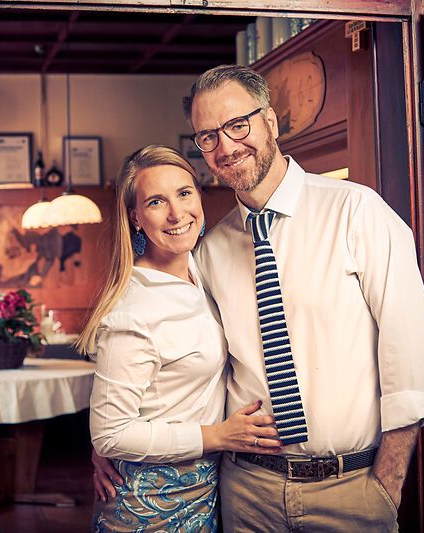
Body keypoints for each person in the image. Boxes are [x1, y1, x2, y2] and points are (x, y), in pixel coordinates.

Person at [94, 66, 424, 532]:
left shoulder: (357, 212)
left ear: (271, 123)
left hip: (349, 488)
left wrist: (388, 482)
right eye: (208, 137)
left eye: (238, 125)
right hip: (243, 490)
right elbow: (174, 353)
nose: (227, 146)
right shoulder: (208, 250)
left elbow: (411, 350)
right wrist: (104, 442)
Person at [77, 145, 282, 532]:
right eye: (156, 201)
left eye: (184, 193)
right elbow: (110, 432)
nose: (176, 213)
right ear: (135, 217)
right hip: (148, 503)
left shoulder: (200, 266)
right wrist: (218, 435)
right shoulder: (133, 310)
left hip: (207, 489)